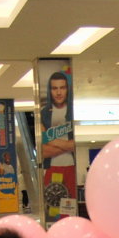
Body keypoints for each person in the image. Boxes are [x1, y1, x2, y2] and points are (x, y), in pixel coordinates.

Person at [40, 71, 76, 202]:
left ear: (67, 89)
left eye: (62, 88)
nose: (59, 92)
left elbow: (75, 145)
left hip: (71, 167)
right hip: (51, 168)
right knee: (52, 205)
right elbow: (44, 151)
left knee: (70, 204)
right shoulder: (43, 114)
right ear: (50, 91)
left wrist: (52, 141)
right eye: (55, 88)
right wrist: (68, 145)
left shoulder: (74, 112)